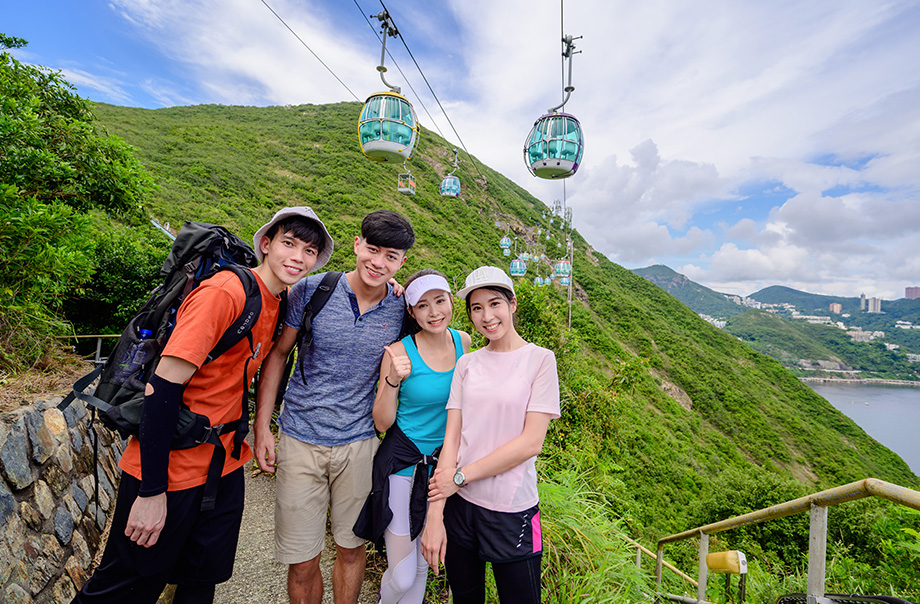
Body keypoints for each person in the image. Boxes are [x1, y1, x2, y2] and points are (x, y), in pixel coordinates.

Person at [73, 206, 334, 604]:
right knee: (125, 586)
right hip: (170, 469)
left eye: (310, 251)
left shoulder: (276, 302)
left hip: (223, 466)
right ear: (266, 244)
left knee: (200, 580)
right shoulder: (224, 293)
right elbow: (161, 390)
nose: (298, 257)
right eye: (288, 243)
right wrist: (151, 491)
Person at [254, 209, 415, 604]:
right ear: (357, 245)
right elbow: (277, 356)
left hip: (360, 444)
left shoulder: (401, 307)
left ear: (401, 263)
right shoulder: (311, 291)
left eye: (390, 256)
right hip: (299, 439)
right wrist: (262, 427)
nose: (378, 262)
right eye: (372, 249)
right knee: (302, 558)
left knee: (351, 547)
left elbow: (438, 333)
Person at [420, 266, 560, 604]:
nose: (486, 316)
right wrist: (435, 516)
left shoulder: (540, 360)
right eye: (476, 308)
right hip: (460, 506)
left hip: (513, 511)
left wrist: (461, 476)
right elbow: (452, 438)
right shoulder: (467, 364)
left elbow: (531, 443)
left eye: (494, 303)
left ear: (512, 304)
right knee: (466, 598)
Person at [353, 269, 471, 604]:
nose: (434, 312)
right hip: (401, 468)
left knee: (421, 568)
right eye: (422, 306)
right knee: (403, 575)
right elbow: (382, 422)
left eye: (440, 301)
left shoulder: (463, 342)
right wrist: (392, 381)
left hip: (442, 468)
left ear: (451, 302)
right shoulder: (398, 352)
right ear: (411, 312)